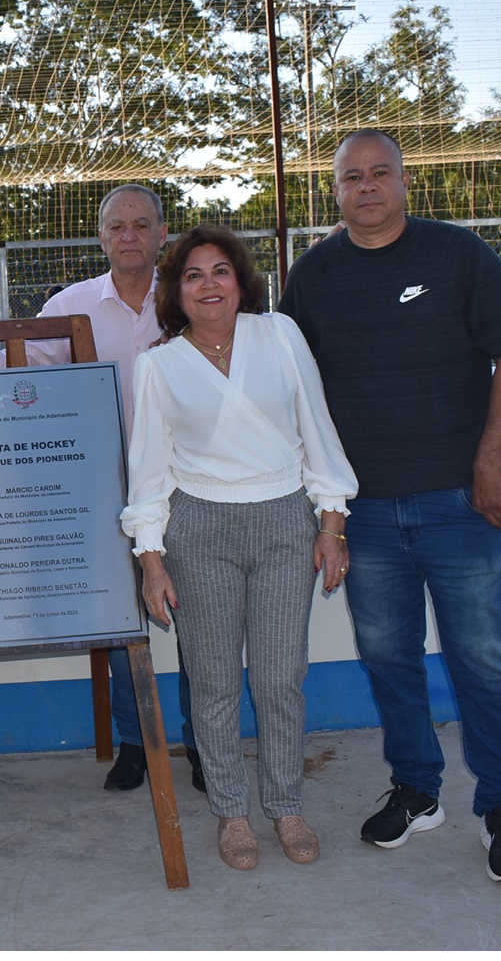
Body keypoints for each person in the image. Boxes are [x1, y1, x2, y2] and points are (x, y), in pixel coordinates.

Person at [278, 128, 501, 884]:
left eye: (380, 173)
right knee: (391, 657)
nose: (367, 187)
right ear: (335, 191)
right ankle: (417, 788)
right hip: (366, 515)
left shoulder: (456, 255)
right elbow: (288, 382)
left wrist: (489, 464)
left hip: (461, 505)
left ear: (403, 182)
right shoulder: (316, 274)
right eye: (351, 177)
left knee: (484, 662)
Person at [0, 184, 201, 794]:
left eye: (143, 224)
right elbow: (11, 372)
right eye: (118, 226)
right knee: (121, 624)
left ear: (163, 233)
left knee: (203, 623)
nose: (130, 235)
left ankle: (204, 743)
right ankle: (137, 744)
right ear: (101, 237)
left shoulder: (194, 296)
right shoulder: (72, 305)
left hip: (194, 483)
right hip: (107, 491)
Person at [120, 225, 355, 871]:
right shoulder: (158, 366)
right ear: (176, 292)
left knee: (281, 678)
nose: (208, 285)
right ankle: (231, 812)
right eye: (192, 275)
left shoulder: (278, 335)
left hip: (284, 523)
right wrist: (151, 559)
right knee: (215, 683)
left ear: (240, 279)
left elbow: (318, 429)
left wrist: (331, 525)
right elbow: (148, 471)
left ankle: (285, 805)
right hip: (198, 532)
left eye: (219, 270)